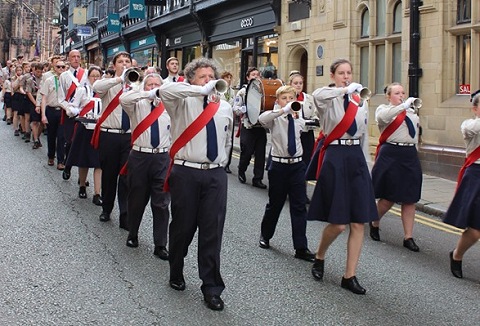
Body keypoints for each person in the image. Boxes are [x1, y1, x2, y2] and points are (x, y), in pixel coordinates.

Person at [159, 57, 233, 311]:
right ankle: (176, 268)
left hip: (214, 174)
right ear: (191, 80)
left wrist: (221, 168)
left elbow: (226, 142)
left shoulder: (224, 106)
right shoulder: (181, 101)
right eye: (203, 77)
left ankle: (211, 287)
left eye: (212, 77)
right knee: (183, 227)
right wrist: (197, 90)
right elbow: (164, 89)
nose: (209, 81)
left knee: (212, 232)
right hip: (186, 172)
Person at [307, 59, 377, 295]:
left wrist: (368, 168)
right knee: (337, 225)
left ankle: (350, 275)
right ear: (333, 75)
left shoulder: (361, 102)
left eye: (349, 73)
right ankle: (320, 255)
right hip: (335, 156)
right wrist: (345, 90)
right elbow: (317, 94)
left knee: (358, 222)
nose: (346, 76)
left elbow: (365, 136)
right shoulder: (328, 98)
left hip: (355, 157)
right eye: (341, 73)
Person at [257, 85, 315, 262]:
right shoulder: (275, 116)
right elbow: (261, 119)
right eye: (285, 98)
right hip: (279, 166)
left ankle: (301, 247)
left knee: (299, 207)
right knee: (275, 204)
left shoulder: (297, 117)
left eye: (291, 98)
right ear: (278, 100)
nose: (289, 101)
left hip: (296, 166)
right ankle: (265, 236)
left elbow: (307, 126)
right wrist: (282, 110)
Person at [119, 73, 171, 260]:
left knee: (162, 203)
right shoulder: (137, 104)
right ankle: (133, 233)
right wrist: (145, 93)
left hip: (162, 157)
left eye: (157, 84)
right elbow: (123, 98)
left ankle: (160, 244)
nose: (154, 87)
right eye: (150, 84)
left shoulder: (169, 106)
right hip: (140, 156)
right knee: (137, 198)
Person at [369, 83, 422, 252]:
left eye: (403, 92)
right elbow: (383, 119)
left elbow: (415, 136)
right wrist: (402, 107)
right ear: (388, 96)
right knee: (388, 197)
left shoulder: (412, 113)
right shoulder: (383, 110)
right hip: (391, 153)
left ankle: (408, 237)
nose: (401, 95)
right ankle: (375, 221)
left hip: (409, 155)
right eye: (397, 93)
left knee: (410, 198)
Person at [92, 51, 132, 228]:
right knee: (109, 175)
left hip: (129, 136)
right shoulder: (108, 83)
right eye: (121, 61)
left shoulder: (137, 85)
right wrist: (119, 79)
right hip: (110, 135)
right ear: (114, 65)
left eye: (127, 61)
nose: (124, 64)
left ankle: (125, 215)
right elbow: (96, 88)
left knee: (126, 177)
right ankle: (106, 209)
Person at [443, 90, 480, 279]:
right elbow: (471, 129)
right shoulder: (469, 125)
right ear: (475, 109)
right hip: (476, 176)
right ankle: (457, 255)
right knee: (474, 231)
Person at [63, 66, 103, 205]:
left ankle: (97, 193)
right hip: (84, 127)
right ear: (88, 77)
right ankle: (82, 186)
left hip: (98, 129)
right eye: (93, 76)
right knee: (84, 159)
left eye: (98, 76)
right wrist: (74, 111)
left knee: (99, 162)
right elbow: (72, 106)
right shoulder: (82, 90)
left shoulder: (105, 92)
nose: (95, 78)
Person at [233, 67, 268, 189]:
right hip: (248, 127)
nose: (256, 77)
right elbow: (235, 108)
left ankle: (257, 179)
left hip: (260, 127)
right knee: (246, 152)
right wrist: (242, 109)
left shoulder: (263, 92)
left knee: (260, 154)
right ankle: (241, 170)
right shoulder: (242, 92)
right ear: (248, 77)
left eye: (258, 75)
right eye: (253, 75)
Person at [58, 50, 89, 181]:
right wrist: (69, 109)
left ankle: (83, 175)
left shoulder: (87, 74)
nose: (76, 59)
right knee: (70, 141)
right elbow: (61, 98)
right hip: (69, 114)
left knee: (83, 143)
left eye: (78, 57)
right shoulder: (64, 76)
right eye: (73, 57)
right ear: (68, 59)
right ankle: (68, 165)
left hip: (85, 113)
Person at [40, 60, 67, 168]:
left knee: (61, 137)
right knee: (51, 135)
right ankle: (51, 156)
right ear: (54, 68)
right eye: (58, 67)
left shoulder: (68, 81)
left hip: (63, 111)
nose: (61, 69)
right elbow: (43, 98)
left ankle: (60, 161)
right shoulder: (49, 81)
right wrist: (43, 115)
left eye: (63, 67)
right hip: (51, 110)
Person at [219, 70, 236, 174]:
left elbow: (233, 102)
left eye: (230, 78)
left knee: (229, 140)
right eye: (227, 78)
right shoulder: (219, 89)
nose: (229, 80)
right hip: (221, 117)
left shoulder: (232, 91)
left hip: (229, 117)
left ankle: (227, 164)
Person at [25, 63, 44, 149]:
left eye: (40, 72)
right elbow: (28, 92)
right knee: (35, 121)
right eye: (37, 71)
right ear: (34, 70)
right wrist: (36, 103)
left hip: (43, 100)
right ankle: (36, 140)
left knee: (42, 122)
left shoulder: (45, 79)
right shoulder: (30, 80)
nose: (39, 73)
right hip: (33, 99)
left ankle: (37, 136)